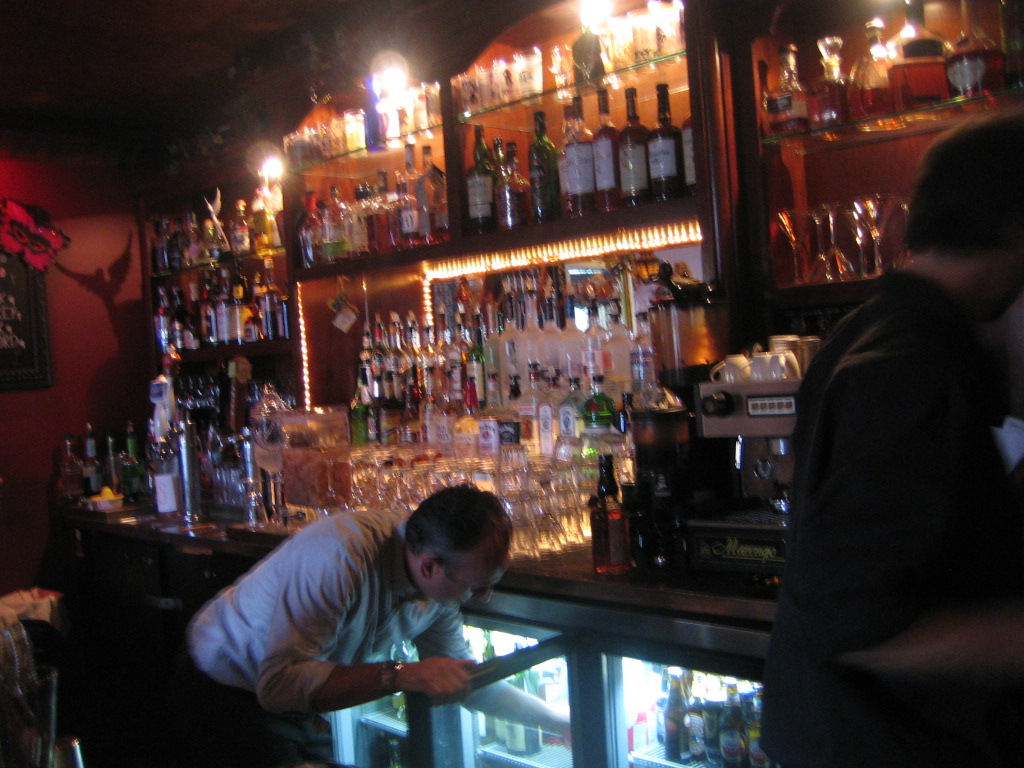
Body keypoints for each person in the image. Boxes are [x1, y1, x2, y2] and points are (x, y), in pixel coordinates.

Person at [761, 112, 1024, 768]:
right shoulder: (911, 365)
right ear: (1014, 227)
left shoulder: (872, 331)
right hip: (880, 745)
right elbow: (858, 623)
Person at [172, 484, 569, 767]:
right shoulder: (341, 557)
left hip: (294, 702)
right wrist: (402, 674)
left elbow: (466, 683)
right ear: (430, 566)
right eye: (475, 586)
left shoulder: (439, 589)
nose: (482, 598)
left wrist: (559, 722)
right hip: (223, 688)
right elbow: (277, 686)